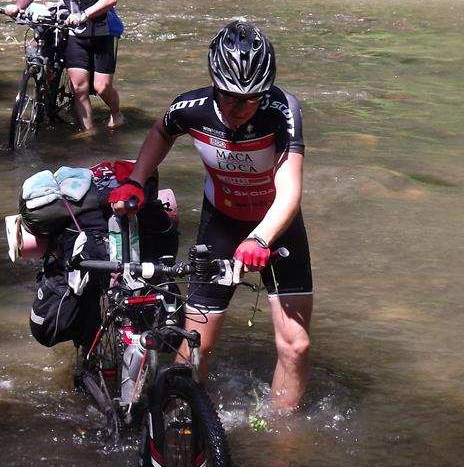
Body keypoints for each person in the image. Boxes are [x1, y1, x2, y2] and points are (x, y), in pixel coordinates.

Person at [108, 20, 312, 411]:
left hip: (276, 228)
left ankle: (283, 438)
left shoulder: (282, 110)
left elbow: (290, 191)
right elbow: (161, 132)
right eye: (230, 97)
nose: (240, 109)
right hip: (221, 225)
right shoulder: (191, 108)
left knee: (296, 345)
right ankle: (178, 420)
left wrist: (260, 238)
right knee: (198, 342)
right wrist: (136, 180)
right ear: (214, 84)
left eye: (251, 99)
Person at [4, 0, 124, 131]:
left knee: (102, 87)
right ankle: (89, 134)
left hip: (103, 30)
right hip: (76, 32)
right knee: (78, 88)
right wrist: (17, 7)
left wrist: (83, 15)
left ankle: (116, 113)